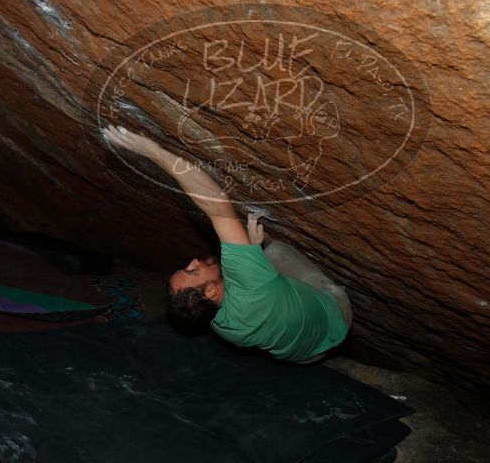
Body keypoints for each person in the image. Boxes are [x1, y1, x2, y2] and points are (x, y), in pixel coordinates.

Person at [102, 124, 352, 363]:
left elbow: (251, 289)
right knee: (277, 250)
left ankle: (260, 261)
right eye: (193, 270)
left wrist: (252, 256)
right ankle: (319, 288)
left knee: (264, 271)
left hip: (303, 356)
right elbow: (216, 204)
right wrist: (154, 152)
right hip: (335, 321)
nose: (193, 261)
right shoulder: (249, 284)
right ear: (210, 292)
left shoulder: (217, 323)